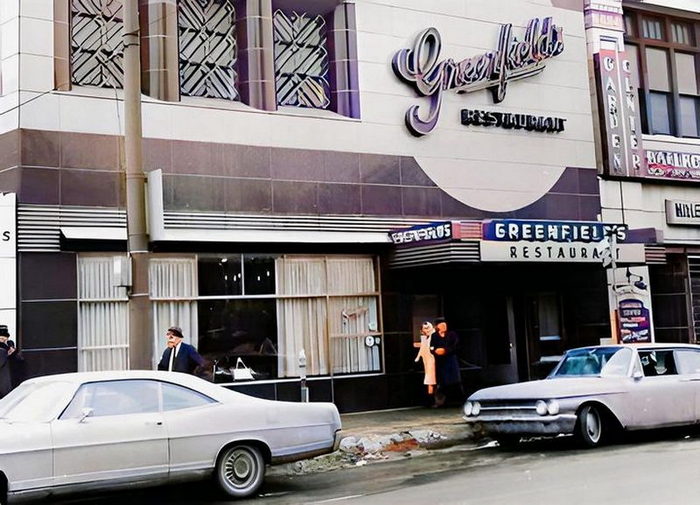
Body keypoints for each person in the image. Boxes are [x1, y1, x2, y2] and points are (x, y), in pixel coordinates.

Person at [430, 318, 463, 407]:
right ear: (437, 326)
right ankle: (440, 402)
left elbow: (456, 346)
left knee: (455, 381)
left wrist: (446, 350)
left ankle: (458, 401)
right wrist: (435, 351)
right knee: (442, 382)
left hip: (451, 360)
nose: (444, 327)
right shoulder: (434, 336)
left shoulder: (452, 335)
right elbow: (431, 348)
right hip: (440, 362)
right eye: (442, 325)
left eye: (445, 325)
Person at [414, 321, 437, 404]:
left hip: (432, 359)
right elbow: (422, 348)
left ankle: (431, 399)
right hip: (426, 359)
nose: (427, 330)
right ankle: (430, 398)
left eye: (428, 328)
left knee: (430, 379)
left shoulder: (433, 336)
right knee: (429, 378)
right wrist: (418, 357)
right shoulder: (424, 338)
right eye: (425, 328)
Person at [0, 325, 24, 390]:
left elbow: (20, 362)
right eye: (1, 339)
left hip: (12, 383)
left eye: (5, 339)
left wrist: (13, 353)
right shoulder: (2, 350)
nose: (3, 341)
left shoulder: (9, 347)